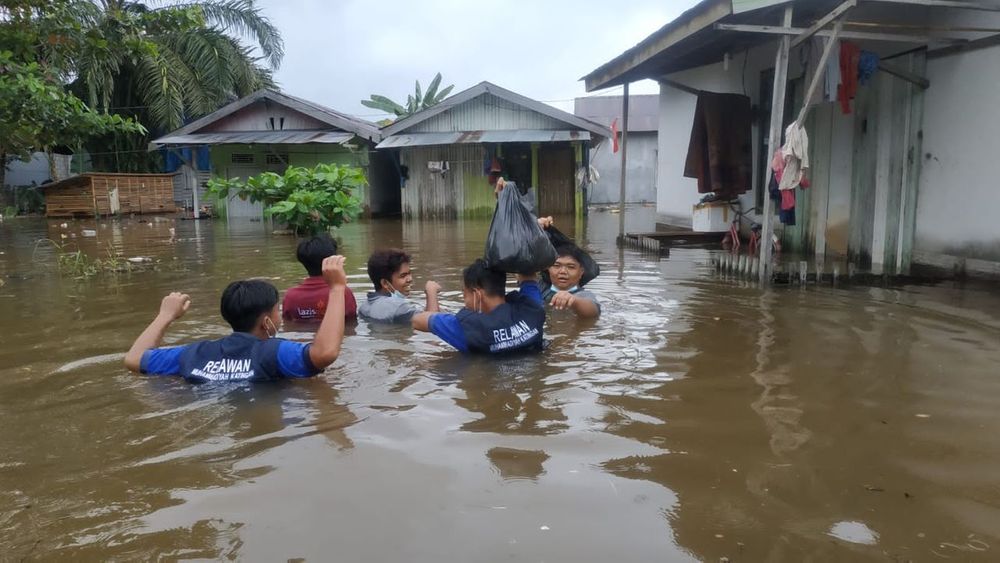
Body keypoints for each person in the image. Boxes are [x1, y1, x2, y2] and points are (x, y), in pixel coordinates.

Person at [123, 256, 349, 382]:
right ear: (266, 322)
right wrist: (337, 289)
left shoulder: (194, 353)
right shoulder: (274, 352)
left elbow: (133, 360)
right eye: (276, 310)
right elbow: (325, 353)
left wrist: (165, 316)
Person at [412, 259, 544, 354]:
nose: (465, 302)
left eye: (464, 294)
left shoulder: (467, 331)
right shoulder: (532, 308)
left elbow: (418, 320)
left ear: (477, 294)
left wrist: (431, 291)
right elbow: (528, 275)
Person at [283, 235, 357, 322]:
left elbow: (287, 323)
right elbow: (352, 324)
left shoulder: (290, 296)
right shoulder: (343, 293)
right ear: (332, 260)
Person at [359, 249, 441, 323]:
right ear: (385, 283)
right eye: (403, 276)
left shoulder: (364, 307)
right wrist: (431, 292)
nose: (410, 279)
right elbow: (434, 322)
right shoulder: (398, 307)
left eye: (409, 273)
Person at [541, 245, 601, 318]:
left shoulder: (584, 295)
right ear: (548, 268)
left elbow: (593, 312)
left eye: (571, 267)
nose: (563, 271)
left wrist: (574, 301)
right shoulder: (539, 288)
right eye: (557, 265)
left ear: (581, 271)